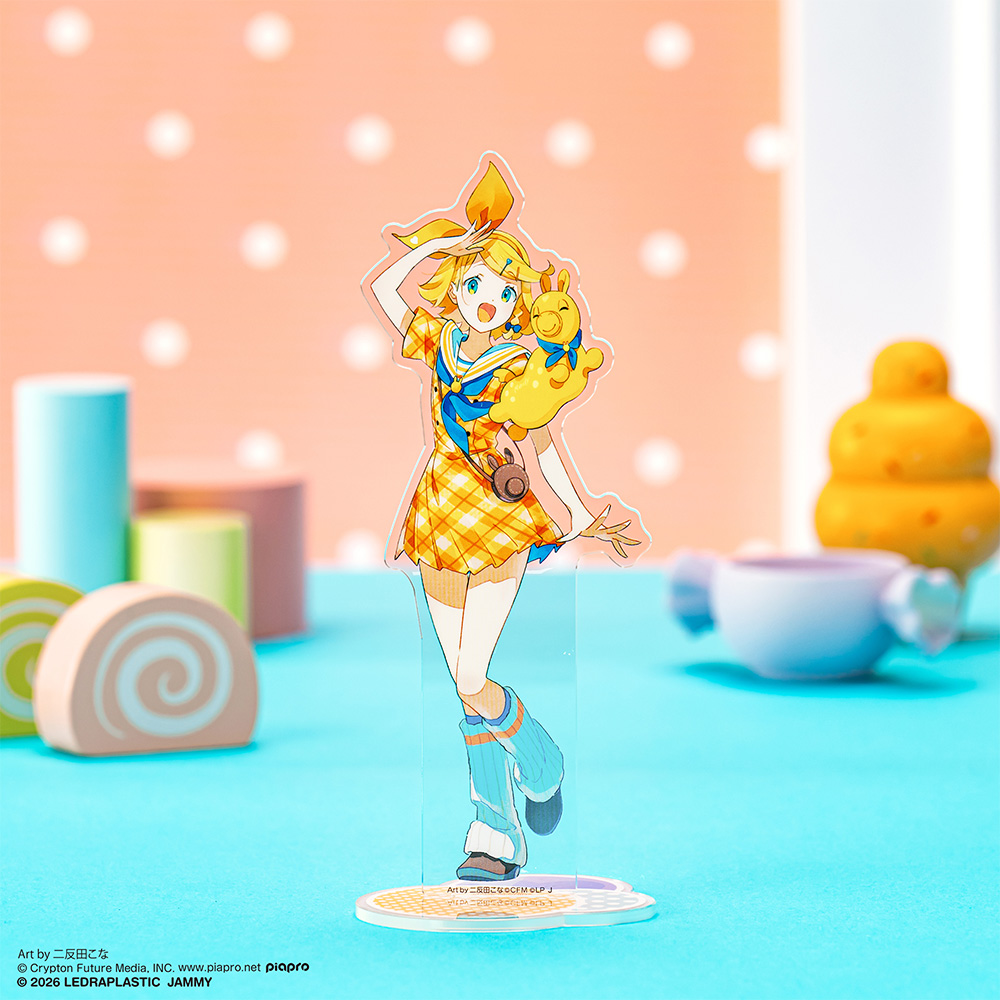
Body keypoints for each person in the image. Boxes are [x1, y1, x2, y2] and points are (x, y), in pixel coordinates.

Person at [367, 161, 637, 880]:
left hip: (497, 518)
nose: (488, 300)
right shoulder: (438, 341)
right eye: (476, 285)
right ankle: (499, 824)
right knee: (464, 685)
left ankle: (525, 782)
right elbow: (385, 289)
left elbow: (542, 445)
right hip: (438, 511)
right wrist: (445, 245)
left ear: (521, 299)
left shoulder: (525, 366)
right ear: (457, 287)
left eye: (505, 289)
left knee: (472, 671)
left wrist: (577, 512)